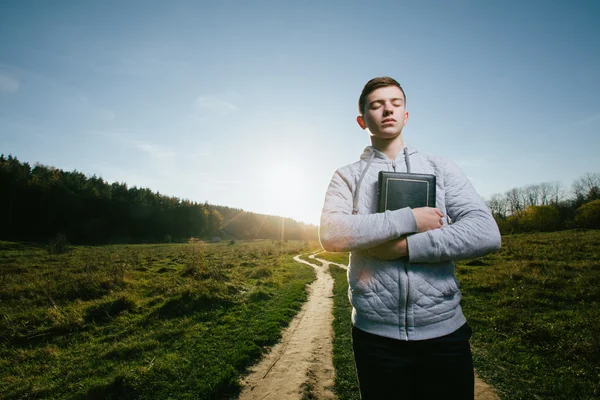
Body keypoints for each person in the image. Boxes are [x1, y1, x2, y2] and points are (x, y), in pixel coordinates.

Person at [319, 76, 501, 399]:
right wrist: (411, 218)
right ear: (363, 120)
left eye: (395, 103)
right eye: (377, 105)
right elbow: (331, 232)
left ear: (406, 115)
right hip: (376, 339)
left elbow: (486, 232)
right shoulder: (347, 176)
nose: (387, 110)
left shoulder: (441, 168)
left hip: (445, 334)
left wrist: (405, 247)